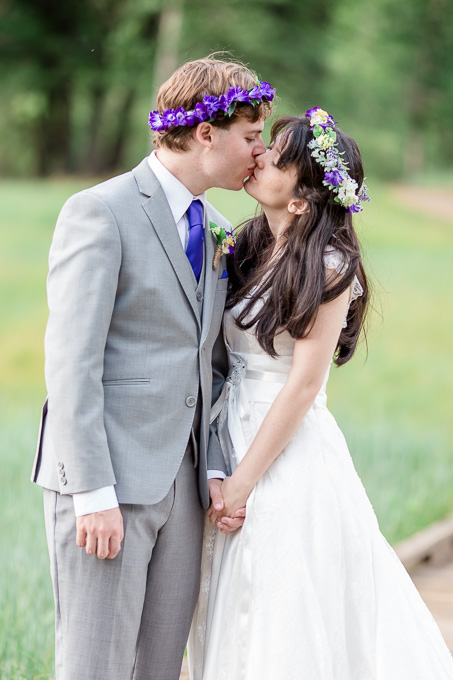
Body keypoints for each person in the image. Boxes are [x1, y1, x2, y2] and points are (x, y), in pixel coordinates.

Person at [30, 56, 275, 680]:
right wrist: (91, 493)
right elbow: (71, 363)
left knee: (161, 668)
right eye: (251, 138)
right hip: (107, 485)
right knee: (95, 667)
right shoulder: (100, 211)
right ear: (205, 134)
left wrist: (216, 467)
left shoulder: (219, 231)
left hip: (185, 492)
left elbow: (216, 368)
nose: (261, 152)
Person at [188, 109, 453, 679]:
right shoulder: (248, 245)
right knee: (234, 598)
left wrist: (241, 483)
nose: (260, 156)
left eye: (278, 156)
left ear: (303, 200)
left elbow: (303, 385)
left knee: (282, 603)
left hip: (283, 453)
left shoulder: (330, 266)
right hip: (228, 429)